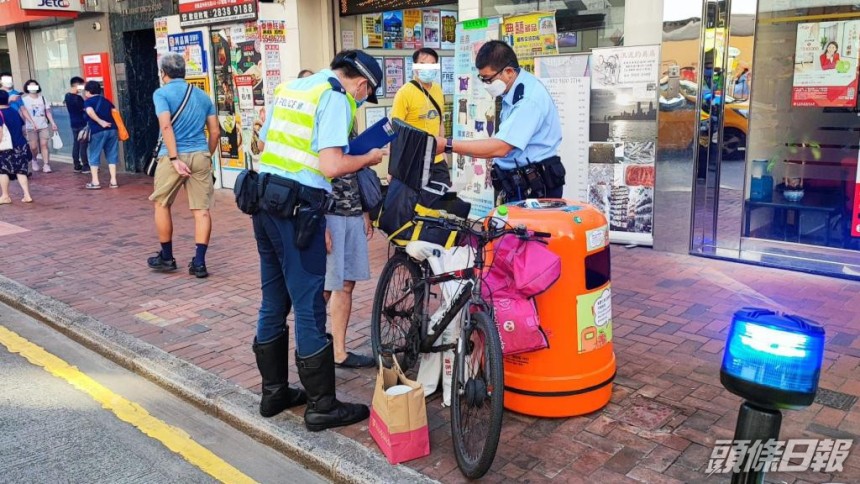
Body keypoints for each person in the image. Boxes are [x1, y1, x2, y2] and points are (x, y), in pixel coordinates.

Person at [251, 49, 384, 431]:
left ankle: (273, 393)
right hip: (299, 210)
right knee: (310, 303)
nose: (362, 100)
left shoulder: (292, 87)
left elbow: (266, 144)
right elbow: (331, 165)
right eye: (365, 94)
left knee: (273, 300)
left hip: (265, 201)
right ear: (361, 84)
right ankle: (322, 406)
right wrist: (368, 158)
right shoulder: (336, 97)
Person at [435, 41, 564, 203]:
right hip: (517, 182)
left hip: (536, 187)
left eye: (488, 79)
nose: (486, 85)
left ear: (509, 71)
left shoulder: (529, 99)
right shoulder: (513, 90)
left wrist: (448, 145)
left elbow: (501, 147)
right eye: (482, 79)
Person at [147, 52, 220, 278]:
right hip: (200, 154)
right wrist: (206, 155)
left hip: (173, 156)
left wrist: (174, 158)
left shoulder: (161, 93)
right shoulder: (202, 96)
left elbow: (166, 126)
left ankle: (167, 257)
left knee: (161, 203)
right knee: (202, 210)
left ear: (163, 73)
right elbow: (215, 131)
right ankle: (199, 263)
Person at [323, 170, 375, 369]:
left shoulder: (350, 136)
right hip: (328, 213)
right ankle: (312, 349)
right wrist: (320, 223)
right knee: (325, 286)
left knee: (346, 284)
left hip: (353, 211)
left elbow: (357, 170)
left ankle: (339, 352)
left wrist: (364, 211)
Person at [391, 47, 449, 183]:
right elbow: (394, 132)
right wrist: (392, 168)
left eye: (432, 65)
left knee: (441, 200)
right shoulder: (404, 93)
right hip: (413, 161)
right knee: (416, 203)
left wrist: (444, 152)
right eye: (423, 64)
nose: (427, 68)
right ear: (415, 67)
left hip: (437, 160)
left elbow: (440, 122)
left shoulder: (438, 90)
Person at [83, 80, 119, 189]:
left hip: (97, 131)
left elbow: (89, 112)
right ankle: (113, 181)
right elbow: (115, 112)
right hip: (112, 130)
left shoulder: (88, 102)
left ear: (89, 91)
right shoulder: (107, 101)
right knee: (112, 155)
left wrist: (100, 122)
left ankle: (95, 182)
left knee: (94, 154)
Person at [0, 90, 33, 204]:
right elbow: (22, 128)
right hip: (20, 144)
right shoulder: (14, 111)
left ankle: (5, 196)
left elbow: (0, 132)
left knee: (3, 171)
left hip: (5, 147)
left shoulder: (0, 113)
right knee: (21, 171)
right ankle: (27, 195)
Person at [21, 80, 58, 173]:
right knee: (33, 147)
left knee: (44, 145)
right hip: (31, 127)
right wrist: (25, 126)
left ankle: (46, 164)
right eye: (31, 86)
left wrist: (53, 123)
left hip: (43, 125)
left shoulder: (43, 98)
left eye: (34, 86)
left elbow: (47, 112)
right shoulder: (24, 100)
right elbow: (23, 114)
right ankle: (34, 159)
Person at [65, 76, 89, 173]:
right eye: (81, 86)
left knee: (76, 144)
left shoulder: (67, 96)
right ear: (76, 85)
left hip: (73, 123)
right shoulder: (78, 98)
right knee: (83, 144)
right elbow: (85, 109)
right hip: (82, 123)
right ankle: (86, 166)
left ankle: (76, 165)